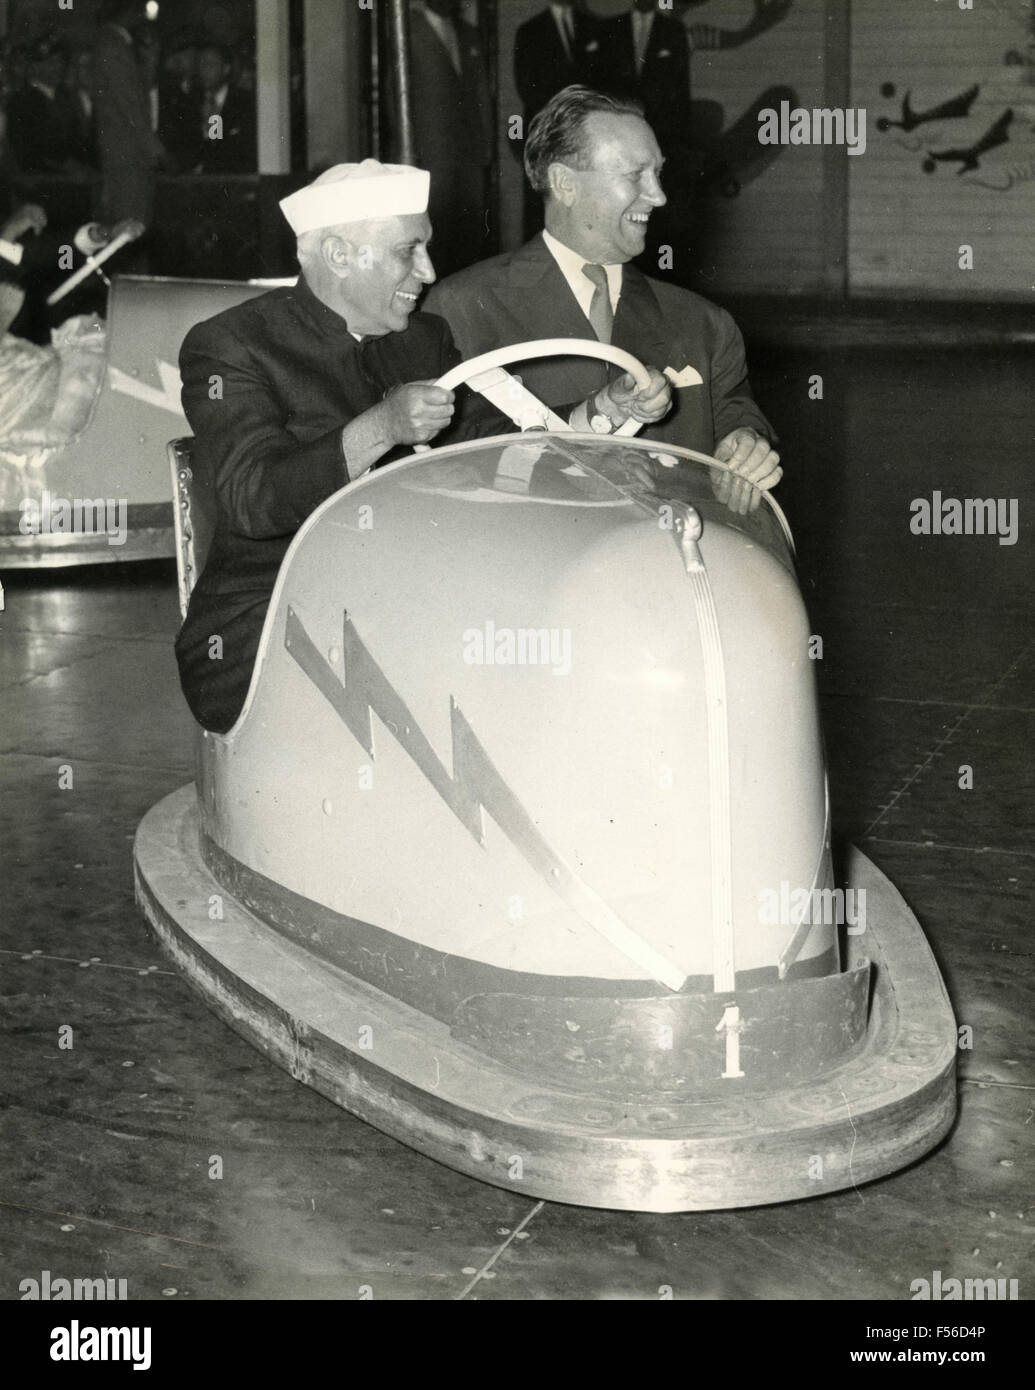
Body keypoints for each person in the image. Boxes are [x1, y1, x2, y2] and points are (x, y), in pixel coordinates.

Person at [175, 160, 671, 734]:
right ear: (340, 256)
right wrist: (381, 427)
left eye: (426, 249)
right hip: (266, 623)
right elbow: (252, 498)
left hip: (412, 596)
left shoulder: (423, 339)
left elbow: (495, 445)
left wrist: (603, 411)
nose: (429, 271)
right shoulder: (232, 345)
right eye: (406, 251)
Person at [426, 85, 780, 496]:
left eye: (658, 174)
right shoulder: (460, 309)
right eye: (635, 176)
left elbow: (736, 417)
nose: (659, 196)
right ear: (565, 184)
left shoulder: (706, 325)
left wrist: (747, 442)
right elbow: (438, 464)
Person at [406, 1, 493, 275]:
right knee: (436, 231)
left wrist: (486, 145)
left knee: (469, 232)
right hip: (430, 152)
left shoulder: (469, 33)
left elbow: (481, 95)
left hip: (469, 154)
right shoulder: (408, 29)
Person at [93, 1, 165, 229]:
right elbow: (130, 107)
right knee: (130, 229)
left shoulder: (115, 43)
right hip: (128, 158)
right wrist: (157, 151)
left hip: (127, 156)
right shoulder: (113, 45)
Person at [191, 42, 256, 175]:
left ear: (226, 69)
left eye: (211, 64)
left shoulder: (243, 102)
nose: (205, 70)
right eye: (201, 65)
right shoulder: (190, 101)